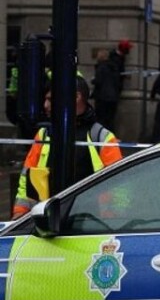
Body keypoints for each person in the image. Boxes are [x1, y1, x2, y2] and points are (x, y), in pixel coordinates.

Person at [13, 77, 123, 218]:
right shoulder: (43, 135)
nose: (45, 105)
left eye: (51, 100)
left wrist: (112, 221)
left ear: (77, 97)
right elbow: (26, 179)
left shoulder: (102, 137)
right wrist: (20, 213)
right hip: (47, 220)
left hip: (91, 223)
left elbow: (119, 186)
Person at [92, 49, 122, 129]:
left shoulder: (101, 67)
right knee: (110, 120)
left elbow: (99, 81)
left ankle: (101, 139)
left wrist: (93, 81)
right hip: (113, 98)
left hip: (102, 97)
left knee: (101, 120)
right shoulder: (114, 67)